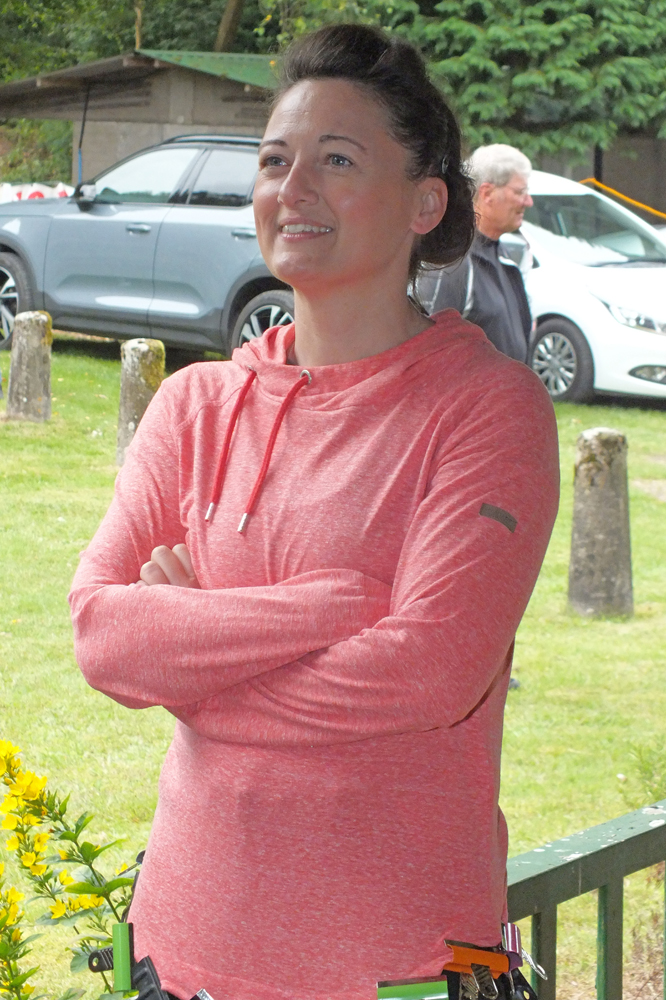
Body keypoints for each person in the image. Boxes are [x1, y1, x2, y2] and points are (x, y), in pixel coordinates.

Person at [69, 25, 559, 1000]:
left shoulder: (486, 408)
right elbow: (100, 634)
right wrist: (334, 606)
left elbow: (426, 672)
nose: (291, 189)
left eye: (336, 159)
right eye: (273, 160)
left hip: (402, 970)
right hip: (181, 957)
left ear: (427, 201)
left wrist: (192, 653)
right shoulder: (196, 405)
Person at [421, 144, 534, 363]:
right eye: (520, 192)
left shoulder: (505, 259)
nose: (528, 201)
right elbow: (428, 352)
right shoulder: (453, 262)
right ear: (487, 193)